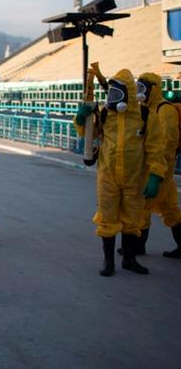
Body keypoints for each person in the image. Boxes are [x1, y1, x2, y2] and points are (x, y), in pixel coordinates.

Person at [74, 69, 165, 277]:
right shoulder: (106, 114)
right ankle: (108, 262)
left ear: (129, 94)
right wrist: (81, 119)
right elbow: (89, 133)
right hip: (108, 176)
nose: (112, 99)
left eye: (117, 94)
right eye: (111, 94)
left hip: (135, 178)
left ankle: (129, 259)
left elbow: (156, 147)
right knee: (107, 218)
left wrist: (155, 175)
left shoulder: (145, 116)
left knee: (132, 219)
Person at [132, 72, 181, 257]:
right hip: (155, 167)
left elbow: (168, 143)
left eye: (143, 88)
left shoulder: (164, 110)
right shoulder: (145, 108)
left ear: (153, 88)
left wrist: (157, 171)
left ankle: (137, 246)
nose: (140, 92)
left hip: (159, 169)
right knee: (170, 209)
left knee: (143, 206)